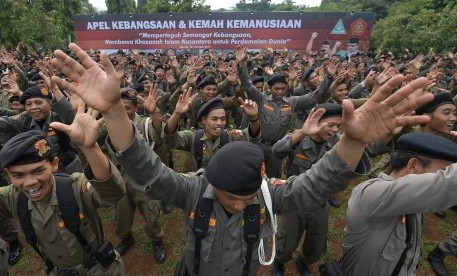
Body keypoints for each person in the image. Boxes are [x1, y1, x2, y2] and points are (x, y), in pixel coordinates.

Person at [50, 42, 432, 276]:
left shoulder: (267, 195)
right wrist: (116, 112)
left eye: (244, 196)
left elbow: (317, 184)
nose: (236, 203)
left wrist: (351, 142)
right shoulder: (195, 190)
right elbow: (149, 174)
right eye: (228, 195)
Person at [0, 103, 126, 275]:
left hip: (99, 269)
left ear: (54, 164)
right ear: (7, 174)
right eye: (18, 175)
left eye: (38, 171)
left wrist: (90, 148)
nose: (29, 182)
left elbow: (112, 194)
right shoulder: (13, 196)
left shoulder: (74, 186)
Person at [341, 132, 457, 275]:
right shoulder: (373, 194)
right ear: (413, 165)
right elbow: (448, 184)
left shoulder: (413, 204)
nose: (441, 179)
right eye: (442, 173)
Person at [236, 45, 335, 178]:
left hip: (277, 150)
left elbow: (314, 96)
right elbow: (247, 85)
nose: (280, 92)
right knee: (251, 175)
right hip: (257, 146)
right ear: (269, 88)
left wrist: (328, 77)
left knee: (273, 179)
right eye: (276, 89)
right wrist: (241, 64)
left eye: (283, 88)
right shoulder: (262, 99)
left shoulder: (292, 102)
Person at [271, 103, 343, 276]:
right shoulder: (300, 136)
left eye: (338, 126)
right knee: (286, 241)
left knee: (317, 243)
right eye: (331, 125)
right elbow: (276, 151)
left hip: (320, 201)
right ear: (317, 122)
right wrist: (302, 132)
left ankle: (304, 262)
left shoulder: (337, 143)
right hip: (295, 200)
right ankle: (279, 263)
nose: (334, 130)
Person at [113, 90, 166, 262]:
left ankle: (157, 240)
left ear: (136, 107)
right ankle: (126, 237)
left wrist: (153, 112)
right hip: (121, 177)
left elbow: (158, 136)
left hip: (143, 178)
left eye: (127, 108)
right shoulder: (110, 124)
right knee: (121, 213)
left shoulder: (144, 123)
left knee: (151, 213)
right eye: (119, 107)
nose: (122, 111)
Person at [163, 93, 260, 170]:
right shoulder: (193, 137)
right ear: (204, 120)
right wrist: (177, 114)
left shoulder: (230, 136)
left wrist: (253, 118)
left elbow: (251, 136)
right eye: (214, 119)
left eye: (223, 119)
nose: (219, 123)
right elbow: (170, 139)